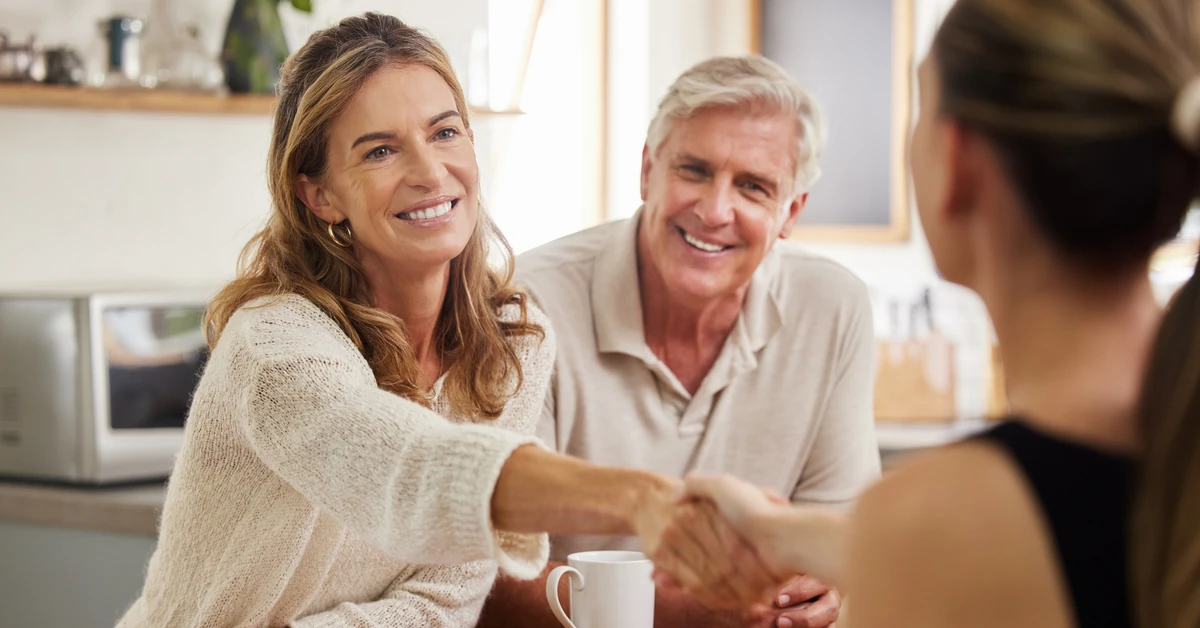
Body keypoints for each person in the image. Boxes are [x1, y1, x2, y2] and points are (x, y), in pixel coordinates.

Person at [116, 13, 763, 627]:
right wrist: (639, 499)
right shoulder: (277, 344)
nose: (430, 172)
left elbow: (449, 597)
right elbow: (405, 465)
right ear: (320, 195)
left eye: (445, 132)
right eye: (379, 151)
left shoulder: (512, 340)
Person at [673, 0, 1200, 626]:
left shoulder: (938, 521)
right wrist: (775, 532)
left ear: (958, 163)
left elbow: (964, 542)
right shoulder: (1172, 428)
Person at [480, 55, 880, 628]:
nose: (716, 210)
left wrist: (817, 586)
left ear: (791, 211)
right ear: (648, 171)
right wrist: (697, 612)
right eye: (693, 170)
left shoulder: (835, 307)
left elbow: (844, 540)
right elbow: (481, 573)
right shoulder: (523, 303)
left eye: (753, 187)